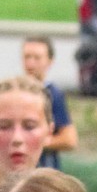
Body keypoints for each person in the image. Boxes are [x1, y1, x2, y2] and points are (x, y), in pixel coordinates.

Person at [22, 35, 79, 169]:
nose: (30, 63)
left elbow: (69, 140)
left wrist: (34, 142)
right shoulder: (14, 94)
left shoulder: (52, 95)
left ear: (50, 61)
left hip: (45, 172)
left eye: (37, 58)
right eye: (27, 57)